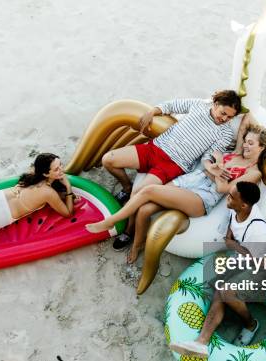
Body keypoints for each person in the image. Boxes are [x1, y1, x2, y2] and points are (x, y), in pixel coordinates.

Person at [87, 124, 266, 264]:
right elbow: (223, 146)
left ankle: (111, 222)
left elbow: (225, 189)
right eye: (246, 141)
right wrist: (214, 165)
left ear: (262, 147)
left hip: (203, 196)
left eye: (251, 143)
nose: (246, 146)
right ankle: (137, 242)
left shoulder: (254, 172)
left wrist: (219, 169)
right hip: (192, 179)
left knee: (149, 189)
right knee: (144, 209)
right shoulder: (238, 152)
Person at [102, 90, 242, 251]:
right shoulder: (198, 105)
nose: (224, 119)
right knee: (108, 160)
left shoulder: (225, 133)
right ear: (216, 104)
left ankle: (128, 232)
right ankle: (126, 186)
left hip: (174, 164)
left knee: (138, 193)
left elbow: (207, 156)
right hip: (154, 149)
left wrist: (211, 167)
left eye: (230, 117)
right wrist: (152, 111)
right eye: (223, 113)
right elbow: (171, 105)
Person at [169, 181, 266, 358]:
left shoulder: (258, 231)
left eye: (231, 197)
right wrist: (229, 237)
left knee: (226, 291)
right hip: (244, 259)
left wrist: (233, 246)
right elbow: (232, 221)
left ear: (243, 204)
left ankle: (251, 324)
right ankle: (200, 343)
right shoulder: (235, 208)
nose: (227, 198)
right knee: (219, 292)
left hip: (265, 269)